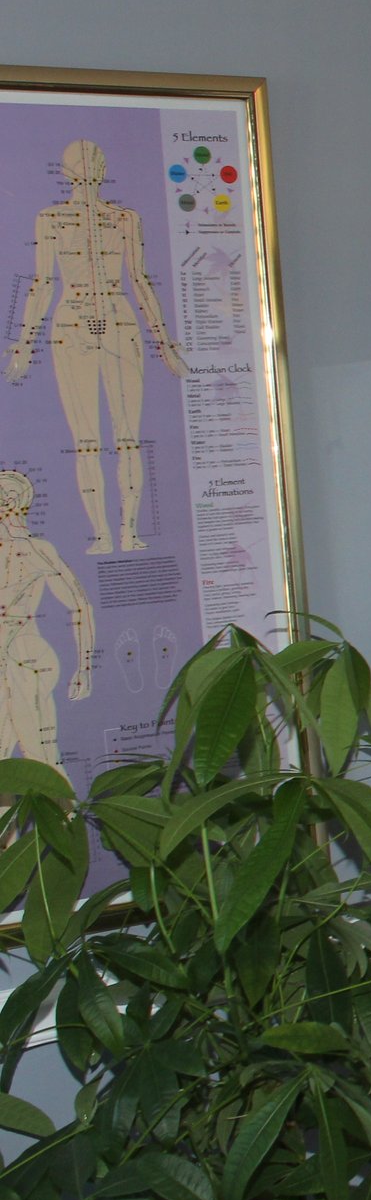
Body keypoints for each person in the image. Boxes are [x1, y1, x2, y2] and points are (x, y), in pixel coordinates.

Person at [7, 140, 189, 554]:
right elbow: (43, 283)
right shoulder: (51, 218)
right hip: (72, 327)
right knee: (86, 440)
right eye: (83, 162)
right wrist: (24, 344)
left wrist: (164, 343)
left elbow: (139, 280)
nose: (92, 168)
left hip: (120, 323)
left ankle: (129, 531)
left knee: (128, 438)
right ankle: (102, 534)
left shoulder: (125, 219)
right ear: (67, 171)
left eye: (97, 160)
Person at [0, 470, 95, 767]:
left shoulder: (36, 549)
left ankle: (61, 801)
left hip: (25, 657)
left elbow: (80, 605)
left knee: (41, 758)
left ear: (15, 501)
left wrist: (84, 667)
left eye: (6, 496)